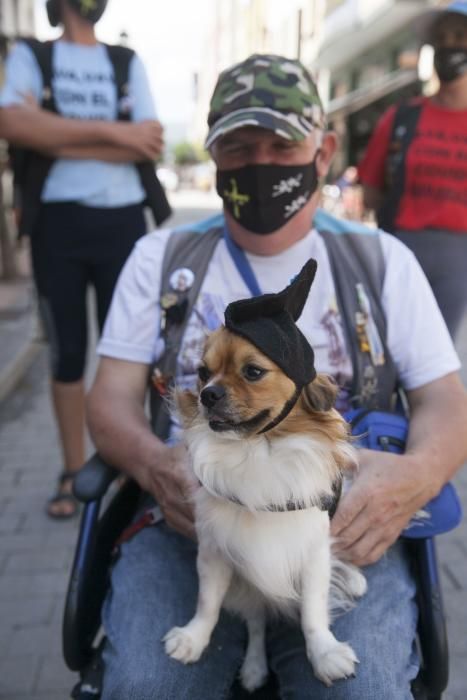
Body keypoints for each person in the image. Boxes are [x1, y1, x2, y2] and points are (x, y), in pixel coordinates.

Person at [87, 53, 467, 699]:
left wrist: (416, 475)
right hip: (194, 524)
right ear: (214, 160)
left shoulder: (379, 261)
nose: (259, 163)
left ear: (322, 153)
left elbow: (444, 401)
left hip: (340, 532)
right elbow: (109, 401)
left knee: (364, 688)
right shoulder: (162, 259)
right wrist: (156, 466)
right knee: (147, 683)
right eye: (237, 146)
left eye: (279, 143)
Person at [0, 0, 165, 518]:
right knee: (67, 355)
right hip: (57, 225)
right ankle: (73, 471)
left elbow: (151, 142)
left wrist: (53, 132)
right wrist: (117, 132)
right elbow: (13, 124)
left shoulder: (125, 61)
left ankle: (133, 465)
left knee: (134, 352)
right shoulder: (30, 54)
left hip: (121, 224)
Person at [358, 0, 467, 340]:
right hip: (401, 251)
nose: (450, 47)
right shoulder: (401, 118)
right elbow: (372, 191)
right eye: (442, 38)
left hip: (458, 260)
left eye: (460, 36)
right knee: (387, 352)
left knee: (437, 356)